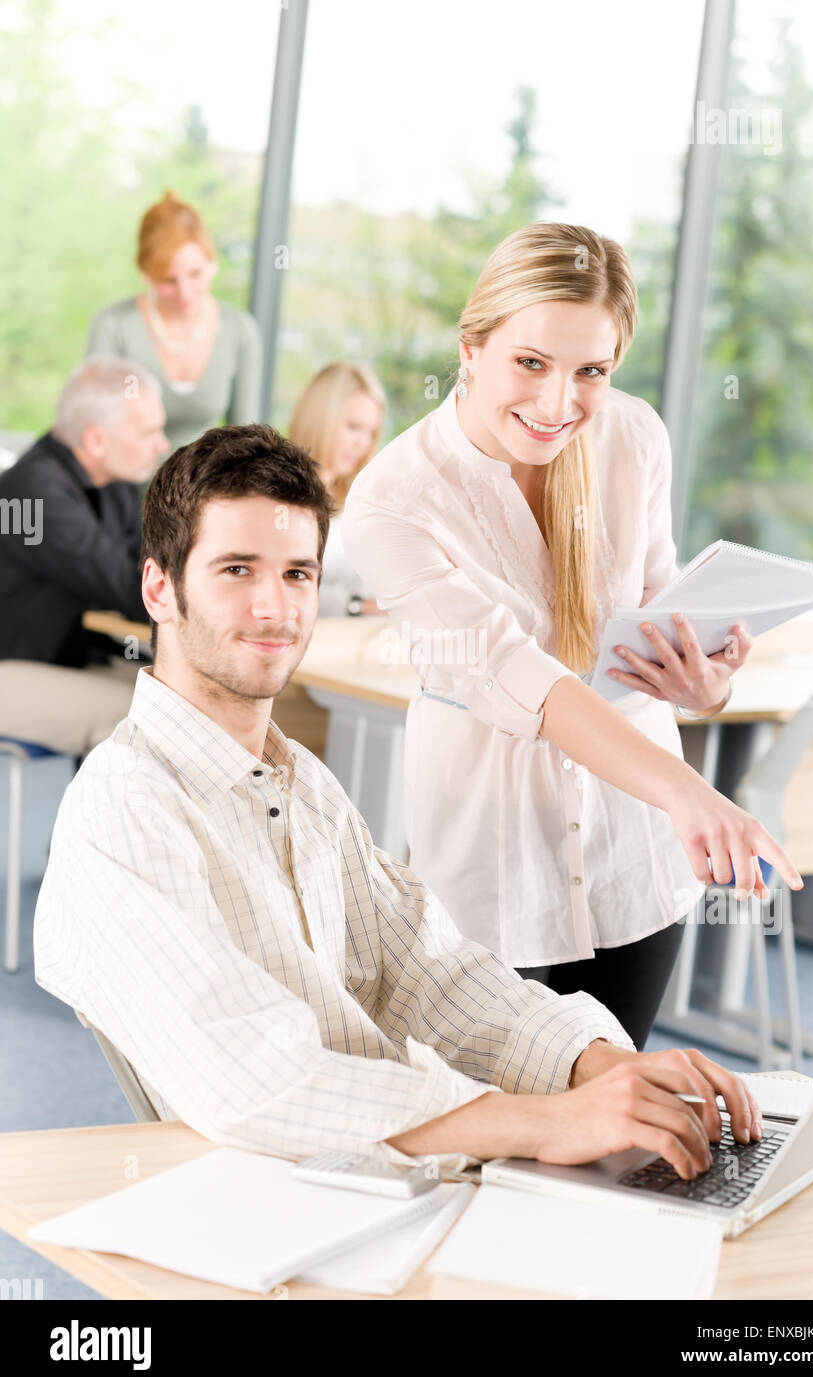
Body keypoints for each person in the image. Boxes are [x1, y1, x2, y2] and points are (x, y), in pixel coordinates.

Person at [34, 423, 764, 1182]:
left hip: (384, 1179)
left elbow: (430, 973)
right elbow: (256, 1082)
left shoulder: (302, 785)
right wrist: (548, 1122)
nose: (274, 607)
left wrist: (600, 1064)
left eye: (296, 575)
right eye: (237, 570)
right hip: (283, 1198)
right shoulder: (124, 809)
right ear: (161, 587)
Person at [341, 222, 803, 1048]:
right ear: (472, 347)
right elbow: (515, 676)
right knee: (491, 1134)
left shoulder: (633, 437)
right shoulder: (393, 498)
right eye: (531, 362)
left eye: (592, 370)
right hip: (491, 863)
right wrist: (691, 795)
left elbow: (659, 607)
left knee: (613, 1120)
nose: (560, 404)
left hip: (637, 853)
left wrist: (707, 683)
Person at [0, 358, 168, 756]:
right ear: (95, 440)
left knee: (191, 698)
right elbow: (131, 586)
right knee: (158, 717)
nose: (162, 445)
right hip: (10, 669)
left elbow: (146, 567)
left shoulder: (113, 482)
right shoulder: (31, 495)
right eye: (149, 432)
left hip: (67, 657)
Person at [85, 190, 262, 457]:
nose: (186, 293)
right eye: (169, 281)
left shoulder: (240, 331)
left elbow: (247, 441)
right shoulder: (113, 326)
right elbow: (96, 428)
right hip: (123, 491)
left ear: (211, 263)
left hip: (204, 492)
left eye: (195, 274)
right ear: (146, 274)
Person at [287, 362, 385, 616]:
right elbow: (285, 585)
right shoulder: (281, 497)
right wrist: (357, 607)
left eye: (370, 432)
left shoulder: (357, 499)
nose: (362, 443)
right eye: (353, 427)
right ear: (321, 420)